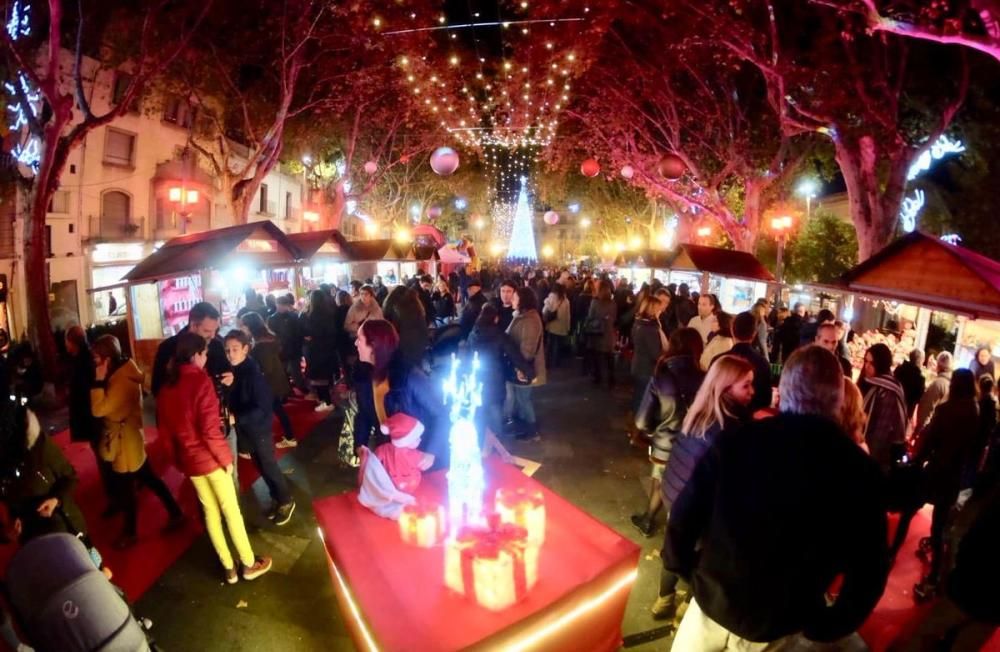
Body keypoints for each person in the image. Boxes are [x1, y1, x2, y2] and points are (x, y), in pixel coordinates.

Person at [665, 345, 889, 649]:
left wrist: (686, 569)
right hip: (778, 623)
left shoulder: (741, 440)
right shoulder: (862, 473)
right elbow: (869, 573)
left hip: (714, 603)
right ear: (838, 399)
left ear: (783, 391)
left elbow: (685, 514)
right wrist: (828, 625)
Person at [157, 332, 272, 583]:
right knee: (231, 511)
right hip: (211, 459)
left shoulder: (167, 388)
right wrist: (226, 460)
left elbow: (165, 436)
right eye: (205, 353)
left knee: (210, 513)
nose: (207, 358)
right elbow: (211, 430)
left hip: (191, 462)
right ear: (196, 355)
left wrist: (180, 461)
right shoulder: (200, 381)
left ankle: (228, 567)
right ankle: (249, 563)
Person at [650, 354, 755, 622]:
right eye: (746, 385)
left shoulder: (700, 412)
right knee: (699, 557)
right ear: (725, 387)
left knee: (674, 545)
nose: (752, 392)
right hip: (698, 506)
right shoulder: (727, 427)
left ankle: (663, 600)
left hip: (676, 494)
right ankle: (685, 609)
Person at [91, 335, 184, 548]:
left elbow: (99, 409)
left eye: (97, 357)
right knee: (147, 477)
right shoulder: (123, 371)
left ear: (106, 358)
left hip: (125, 440)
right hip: (129, 438)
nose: (94, 361)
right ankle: (175, 512)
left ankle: (130, 531)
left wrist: (97, 382)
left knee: (128, 486)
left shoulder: (120, 379)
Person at [912, 369, 981, 600]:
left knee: (911, 509)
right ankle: (936, 575)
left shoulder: (945, 410)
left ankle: (892, 553)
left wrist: (916, 461)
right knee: (941, 524)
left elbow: (929, 442)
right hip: (955, 476)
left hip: (936, 471)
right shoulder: (975, 410)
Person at [631, 328, 705, 537]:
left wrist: (654, 432)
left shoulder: (661, 378)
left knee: (661, 482)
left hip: (664, 444)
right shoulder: (704, 377)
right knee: (683, 485)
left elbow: (641, 421)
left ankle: (652, 522)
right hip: (693, 444)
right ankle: (659, 522)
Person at [221, 330, 296, 526]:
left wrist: (237, 417)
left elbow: (263, 407)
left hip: (259, 430)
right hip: (248, 430)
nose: (231, 354)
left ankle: (286, 500)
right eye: (227, 350)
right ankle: (277, 498)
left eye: (235, 349)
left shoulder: (252, 374)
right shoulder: (236, 371)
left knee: (269, 466)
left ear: (246, 349)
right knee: (261, 466)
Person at [352, 320, 447, 466]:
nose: (355, 344)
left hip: (418, 453)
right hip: (388, 454)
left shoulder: (409, 376)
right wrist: (360, 444)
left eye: (360, 339)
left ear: (373, 345)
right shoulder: (365, 376)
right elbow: (364, 414)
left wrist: (430, 453)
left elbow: (441, 413)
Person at [65, 327, 113, 513]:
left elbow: (87, 390)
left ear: (71, 342)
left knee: (103, 455)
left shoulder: (84, 360)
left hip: (91, 415)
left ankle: (114, 495)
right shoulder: (85, 358)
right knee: (103, 453)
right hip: (91, 414)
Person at [468, 304, 532, 442]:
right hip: (494, 377)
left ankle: (480, 438)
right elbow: (514, 355)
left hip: (477, 375)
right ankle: (498, 439)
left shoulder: (473, 333)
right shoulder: (499, 335)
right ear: (495, 319)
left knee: (480, 408)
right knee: (495, 406)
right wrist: (528, 371)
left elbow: (467, 354)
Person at [241, 312, 296, 448]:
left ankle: (287, 437)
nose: (242, 328)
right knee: (277, 410)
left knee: (272, 411)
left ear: (249, 326)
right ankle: (289, 436)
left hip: (269, 385)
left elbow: (266, 368)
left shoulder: (261, 345)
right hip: (275, 382)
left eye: (243, 325)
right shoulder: (268, 338)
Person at [151, 302, 229, 397]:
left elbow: (227, 375)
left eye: (215, 330)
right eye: (207, 331)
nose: (213, 336)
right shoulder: (168, 347)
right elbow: (157, 388)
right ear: (193, 326)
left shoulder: (216, 345)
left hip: (212, 407)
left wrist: (229, 379)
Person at [505, 287, 546, 441]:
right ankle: (525, 427)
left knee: (524, 399)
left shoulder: (530, 320)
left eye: (515, 298)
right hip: (519, 365)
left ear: (523, 300)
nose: (512, 300)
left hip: (524, 367)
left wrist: (520, 368)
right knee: (521, 399)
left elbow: (528, 348)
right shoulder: (521, 316)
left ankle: (532, 431)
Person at [860, 343, 909, 472]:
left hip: (876, 455)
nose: (867, 366)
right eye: (866, 361)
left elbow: (880, 432)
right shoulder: (869, 383)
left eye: (872, 363)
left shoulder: (887, 390)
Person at [725, 311, 773, 412]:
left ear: (732, 330)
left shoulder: (720, 360)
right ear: (754, 333)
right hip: (752, 420)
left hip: (723, 419)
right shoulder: (763, 363)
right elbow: (766, 400)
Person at [302, 289, 339, 412]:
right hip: (328, 349)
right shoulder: (329, 313)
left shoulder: (313, 316)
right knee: (326, 376)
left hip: (317, 350)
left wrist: (309, 338)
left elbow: (310, 333)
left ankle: (326, 401)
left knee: (319, 377)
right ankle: (326, 399)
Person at [630, 295, 668, 415]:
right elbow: (655, 353)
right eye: (658, 308)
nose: (660, 311)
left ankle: (633, 424)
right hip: (646, 369)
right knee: (642, 400)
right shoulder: (650, 329)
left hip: (638, 365)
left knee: (637, 396)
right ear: (652, 309)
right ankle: (637, 427)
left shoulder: (638, 323)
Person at [382, 285, 429, 370]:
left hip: (402, 350)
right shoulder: (417, 307)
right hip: (418, 345)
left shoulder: (391, 306)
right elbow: (424, 330)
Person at [268, 294, 306, 393]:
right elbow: (272, 335)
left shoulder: (293, 316)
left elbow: (299, 332)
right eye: (279, 305)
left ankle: (301, 387)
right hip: (281, 349)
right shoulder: (272, 318)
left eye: (283, 305)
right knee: (283, 371)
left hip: (293, 348)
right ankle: (287, 390)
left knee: (295, 370)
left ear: (287, 305)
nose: (281, 307)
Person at [583, 279, 617, 387]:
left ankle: (597, 377)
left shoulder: (595, 302)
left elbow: (590, 317)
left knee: (597, 357)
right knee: (609, 358)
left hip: (598, 333)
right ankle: (611, 379)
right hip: (609, 334)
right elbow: (614, 318)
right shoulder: (613, 304)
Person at [916, 351, 953, 433]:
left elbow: (927, 408)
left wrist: (920, 430)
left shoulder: (938, 384)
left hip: (930, 429)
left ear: (938, 365)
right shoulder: (951, 383)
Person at [542, 283, 572, 369]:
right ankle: (556, 363)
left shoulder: (550, 298)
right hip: (561, 327)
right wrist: (568, 327)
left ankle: (548, 363)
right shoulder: (566, 301)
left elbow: (544, 310)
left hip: (552, 325)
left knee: (550, 344)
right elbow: (568, 316)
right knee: (558, 345)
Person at [894, 348, 927, 421]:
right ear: (920, 360)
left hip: (892, 405)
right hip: (906, 412)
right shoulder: (919, 378)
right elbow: (919, 398)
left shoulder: (899, 369)